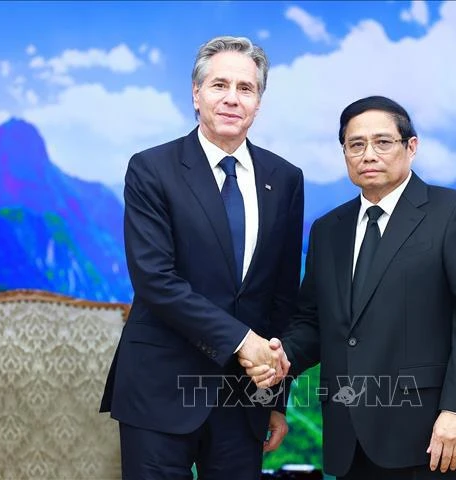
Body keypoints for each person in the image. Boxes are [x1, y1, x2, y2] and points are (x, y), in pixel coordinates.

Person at [244, 96, 456, 479]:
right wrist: (281, 359)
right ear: (345, 153)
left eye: (383, 142)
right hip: (351, 438)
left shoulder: (455, 214)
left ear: (410, 147)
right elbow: (313, 322)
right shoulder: (328, 230)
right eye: (356, 144)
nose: (369, 154)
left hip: (437, 437)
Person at [100, 35, 304, 480]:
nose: (232, 98)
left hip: (243, 400)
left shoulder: (285, 179)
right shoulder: (152, 168)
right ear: (196, 94)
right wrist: (242, 341)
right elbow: (155, 280)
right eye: (219, 85)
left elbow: (282, 295)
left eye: (246, 88)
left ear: (259, 102)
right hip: (160, 391)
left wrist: (274, 398)